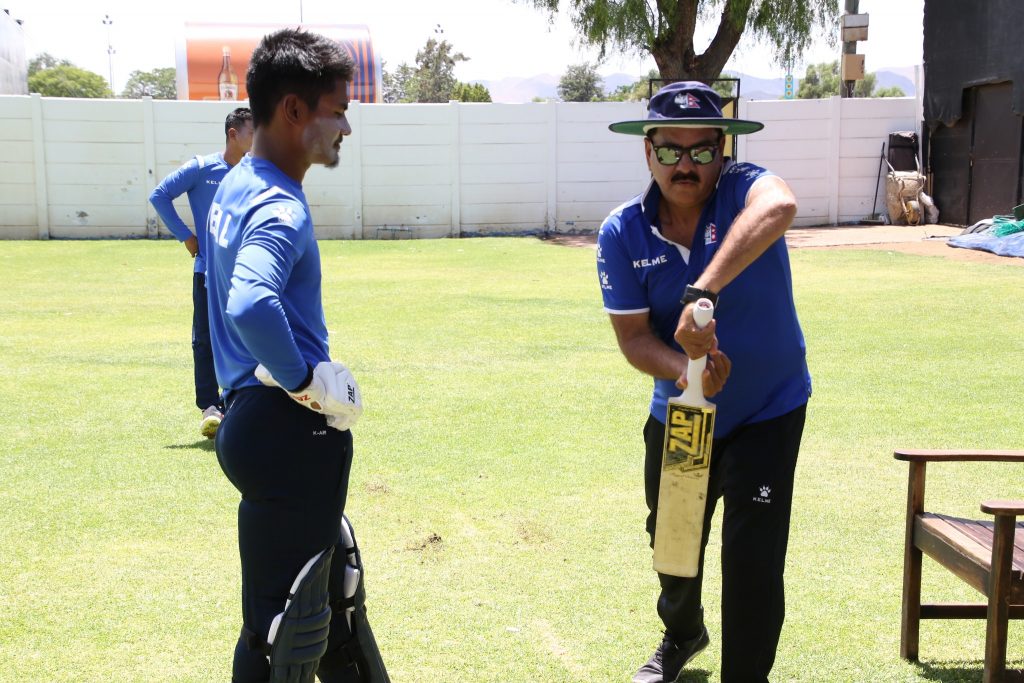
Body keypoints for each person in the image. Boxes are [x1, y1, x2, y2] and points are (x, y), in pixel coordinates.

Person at [598, 81, 811, 683]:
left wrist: (703, 291)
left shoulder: (746, 189)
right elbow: (635, 341)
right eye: (669, 151)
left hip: (770, 409)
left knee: (752, 557)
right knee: (674, 543)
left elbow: (781, 207)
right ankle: (682, 633)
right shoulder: (621, 232)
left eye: (700, 151)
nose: (685, 165)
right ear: (648, 153)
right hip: (684, 413)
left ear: (723, 151)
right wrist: (688, 367)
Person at [205, 29, 389, 682]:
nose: (344, 126)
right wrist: (308, 380)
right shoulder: (278, 204)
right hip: (290, 431)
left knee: (332, 600)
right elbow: (250, 303)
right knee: (282, 631)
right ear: (293, 110)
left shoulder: (235, 182)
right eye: (337, 109)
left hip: (250, 420)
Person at [149, 107, 254, 439]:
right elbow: (160, 195)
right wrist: (187, 236)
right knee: (205, 340)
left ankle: (241, 401)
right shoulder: (201, 168)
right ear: (233, 134)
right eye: (253, 132)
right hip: (208, 271)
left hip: (247, 272)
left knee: (248, 336)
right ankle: (211, 408)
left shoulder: (256, 172)